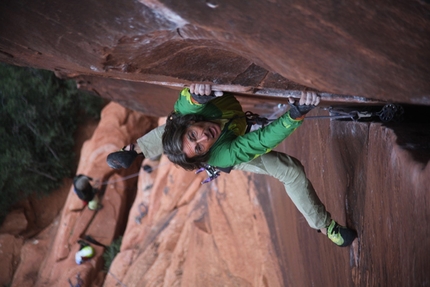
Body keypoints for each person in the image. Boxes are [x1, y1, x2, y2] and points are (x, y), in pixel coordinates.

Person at [107, 84, 357, 247]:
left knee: (176, 132)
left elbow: (183, 108)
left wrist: (194, 97)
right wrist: (294, 115)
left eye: (197, 136)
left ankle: (135, 150)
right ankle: (325, 227)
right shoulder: (220, 155)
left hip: (195, 118)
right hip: (231, 142)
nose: (205, 137)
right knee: (290, 170)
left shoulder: (188, 117)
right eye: (200, 146)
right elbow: (259, 141)